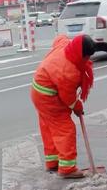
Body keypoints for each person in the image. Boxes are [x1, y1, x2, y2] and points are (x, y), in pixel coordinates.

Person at [31, 34, 96, 179]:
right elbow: (67, 97)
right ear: (81, 54)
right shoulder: (69, 71)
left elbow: (59, 38)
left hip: (37, 91)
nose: (87, 60)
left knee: (49, 126)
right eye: (86, 56)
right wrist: (77, 106)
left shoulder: (66, 45)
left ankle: (52, 162)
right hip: (48, 97)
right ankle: (67, 168)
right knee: (64, 129)